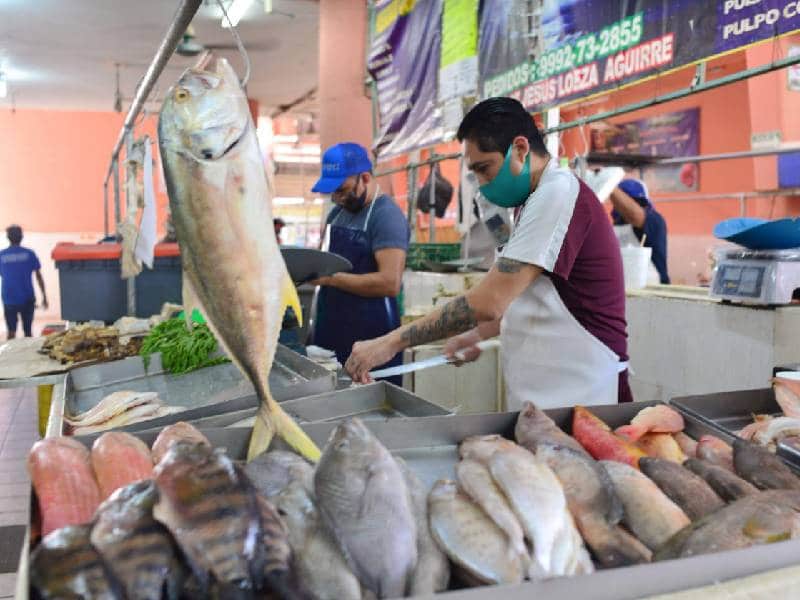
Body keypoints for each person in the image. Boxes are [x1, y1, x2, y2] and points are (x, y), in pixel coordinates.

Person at [345, 97, 633, 408]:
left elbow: (490, 301)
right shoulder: (532, 200)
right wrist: (476, 334)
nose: (482, 184)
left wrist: (389, 343)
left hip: (588, 394)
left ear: (520, 149)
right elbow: (525, 296)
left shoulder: (558, 193)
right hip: (551, 396)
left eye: (484, 169)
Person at [309, 142, 410, 385]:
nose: (337, 198)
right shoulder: (337, 213)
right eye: (332, 193)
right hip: (332, 328)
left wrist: (329, 279)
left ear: (364, 178)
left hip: (372, 336)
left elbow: (389, 283)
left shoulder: (386, 217)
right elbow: (325, 258)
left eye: (342, 190)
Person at [609, 178, 670, 284]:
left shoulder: (654, 219)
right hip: (628, 287)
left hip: (654, 288)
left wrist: (608, 184)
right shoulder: (617, 224)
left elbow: (635, 215)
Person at [0, 225, 48, 339]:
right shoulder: (29, 254)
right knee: (28, 333)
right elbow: (39, 276)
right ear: (21, 236)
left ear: (8, 237)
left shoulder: (2, 255)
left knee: (11, 333)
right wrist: (44, 296)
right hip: (27, 297)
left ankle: (9, 356)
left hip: (9, 298)